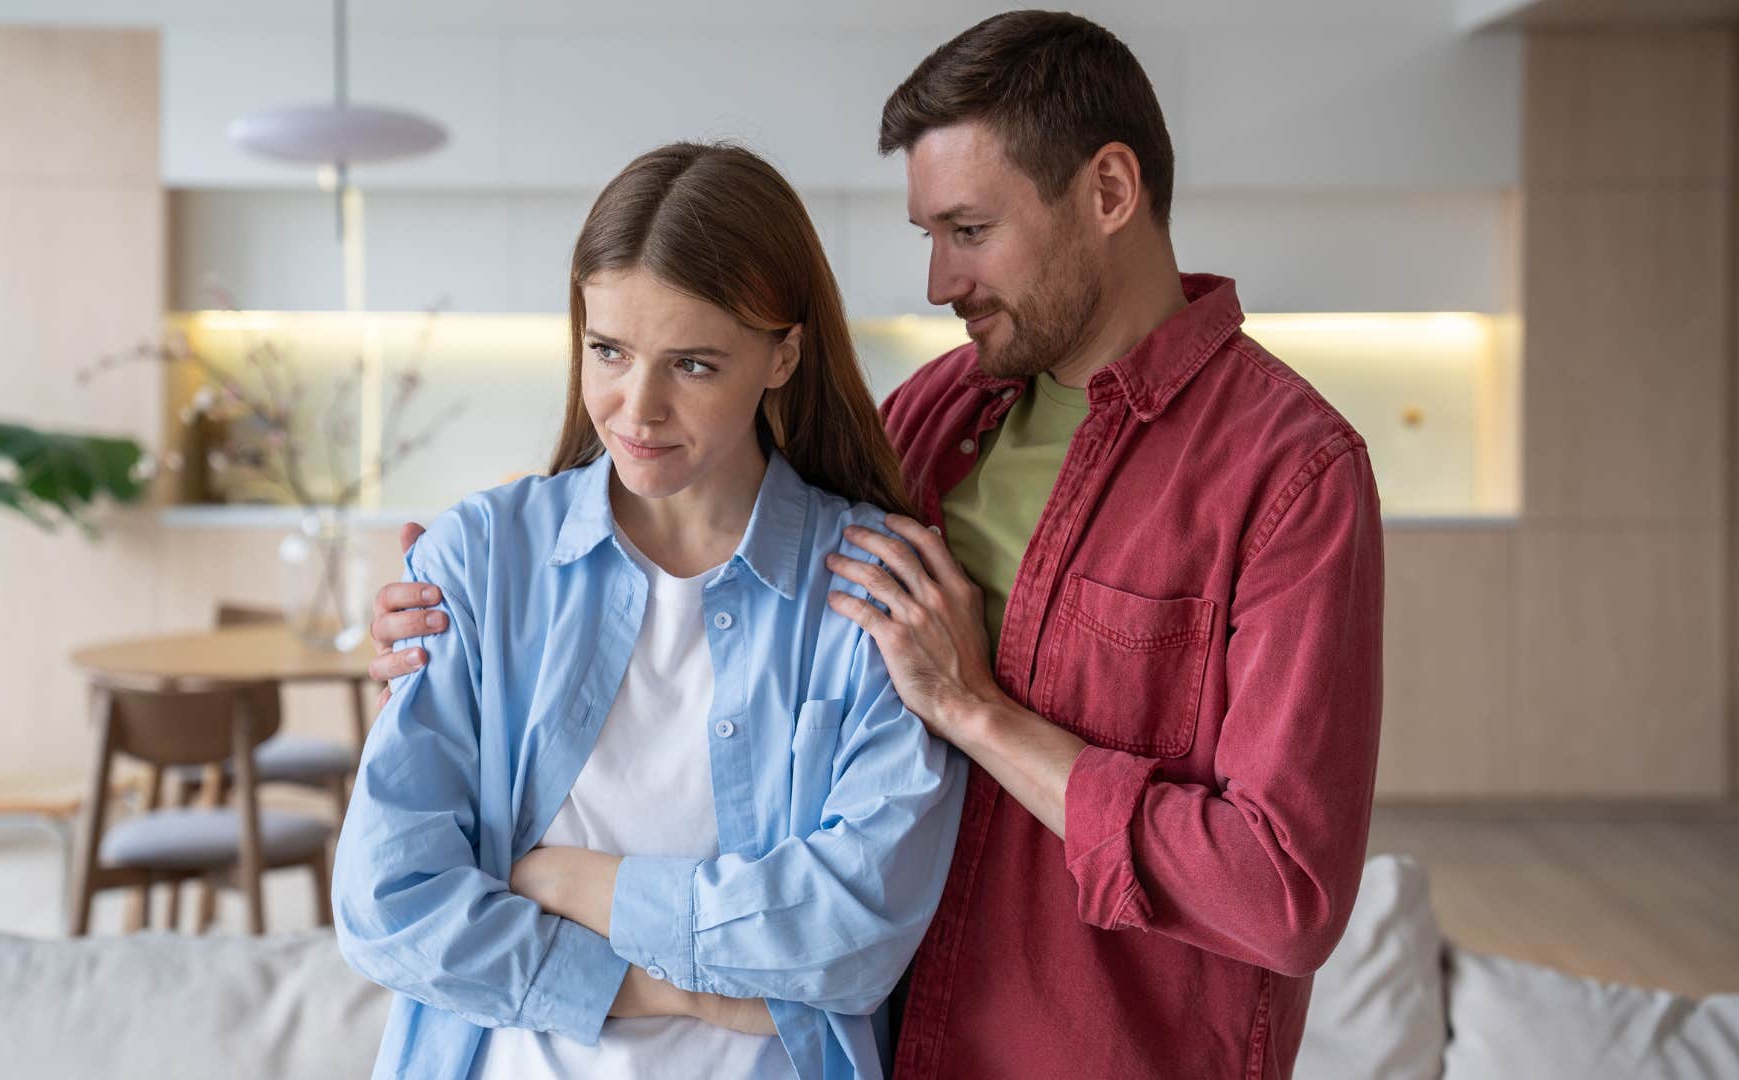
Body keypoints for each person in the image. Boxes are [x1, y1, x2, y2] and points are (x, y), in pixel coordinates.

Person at [369, 11, 1384, 1078]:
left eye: (970, 230)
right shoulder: (933, 420)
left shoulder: (1291, 474)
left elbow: (1282, 896)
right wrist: (459, 615)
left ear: (1110, 191)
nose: (940, 282)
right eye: (928, 237)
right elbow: (695, 501)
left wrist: (976, 711)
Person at [332, 142, 965, 1080]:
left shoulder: (877, 589)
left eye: (694, 365)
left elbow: (853, 934)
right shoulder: (479, 559)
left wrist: (571, 881)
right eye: (609, 352)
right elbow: (387, 903)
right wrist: (677, 990)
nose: (638, 409)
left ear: (783, 355)